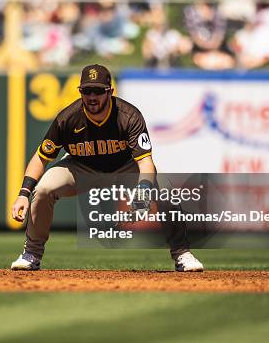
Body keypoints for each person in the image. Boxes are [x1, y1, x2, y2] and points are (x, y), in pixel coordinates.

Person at [10, 64, 204, 272]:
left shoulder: (128, 116)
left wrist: (143, 194)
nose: (92, 96)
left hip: (124, 168)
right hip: (81, 168)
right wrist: (23, 193)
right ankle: (31, 253)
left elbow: (146, 163)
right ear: (80, 92)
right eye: (87, 91)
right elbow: (41, 157)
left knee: (166, 189)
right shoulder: (67, 118)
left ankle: (182, 253)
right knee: (43, 190)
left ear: (110, 91)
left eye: (99, 91)